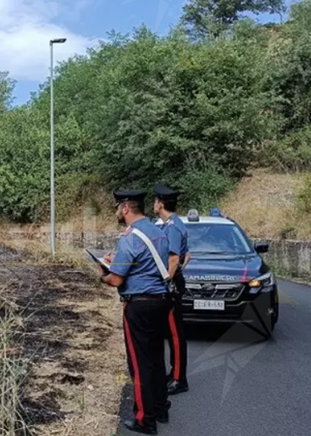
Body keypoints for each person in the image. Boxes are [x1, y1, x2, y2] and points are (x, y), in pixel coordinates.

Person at [98, 190, 172, 435]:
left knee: (139, 364)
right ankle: (161, 408)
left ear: (126, 208)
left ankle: (144, 419)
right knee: (156, 359)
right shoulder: (158, 232)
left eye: (118, 207)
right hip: (161, 301)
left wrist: (103, 273)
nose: (117, 212)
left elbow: (117, 279)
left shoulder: (129, 238)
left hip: (139, 305)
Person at [154, 185, 191, 395]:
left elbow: (175, 258)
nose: (154, 204)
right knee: (171, 333)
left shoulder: (173, 227)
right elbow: (187, 255)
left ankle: (179, 379)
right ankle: (174, 373)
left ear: (160, 204)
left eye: (155, 201)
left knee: (175, 334)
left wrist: (165, 281)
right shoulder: (170, 224)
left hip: (172, 285)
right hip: (173, 282)